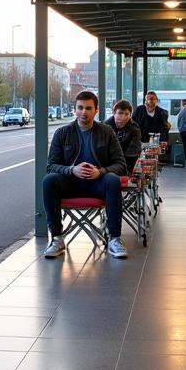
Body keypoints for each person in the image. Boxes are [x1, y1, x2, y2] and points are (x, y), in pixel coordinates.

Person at [43, 91, 129, 259]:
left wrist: (101, 172)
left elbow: (121, 165)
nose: (84, 112)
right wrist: (71, 170)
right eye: (80, 108)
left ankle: (115, 239)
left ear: (96, 110)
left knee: (112, 180)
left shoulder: (107, 132)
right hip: (70, 183)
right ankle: (57, 238)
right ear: (75, 109)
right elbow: (51, 166)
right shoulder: (62, 133)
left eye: (88, 108)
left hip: (98, 184)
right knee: (49, 181)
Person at [107, 98, 143, 176]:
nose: (123, 117)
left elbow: (133, 153)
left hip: (126, 164)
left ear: (130, 115)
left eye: (126, 114)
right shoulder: (105, 127)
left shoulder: (134, 129)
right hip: (107, 165)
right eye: (120, 113)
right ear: (114, 113)